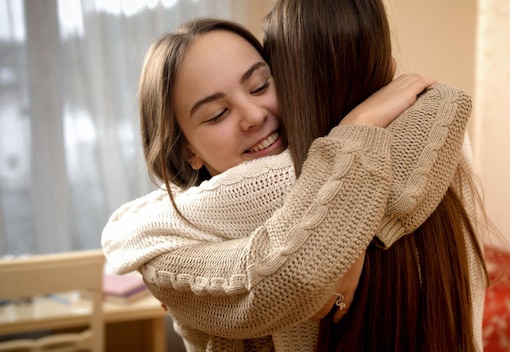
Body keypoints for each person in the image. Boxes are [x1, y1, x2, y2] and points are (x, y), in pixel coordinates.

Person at [102, 13, 474, 352]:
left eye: (261, 85)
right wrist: (359, 128)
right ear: (188, 152)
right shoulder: (168, 243)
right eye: (217, 114)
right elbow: (283, 278)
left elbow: (446, 101)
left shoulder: (352, 156)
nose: (252, 115)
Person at [262, 0, 488, 351]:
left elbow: (156, 226)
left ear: (286, 83)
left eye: (263, 84)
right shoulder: (451, 146)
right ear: (387, 60)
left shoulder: (270, 183)